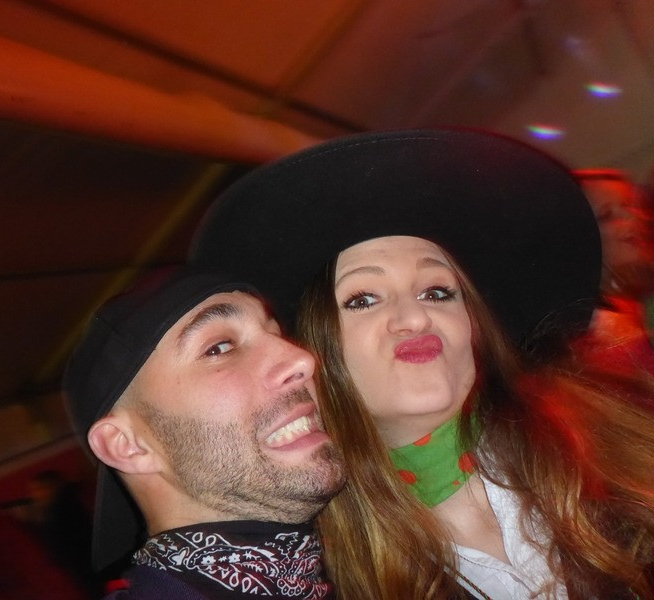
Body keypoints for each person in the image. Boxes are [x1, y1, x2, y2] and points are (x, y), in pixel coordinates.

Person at [190, 129, 654, 599]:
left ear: (473, 326)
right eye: (363, 299)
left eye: (436, 292)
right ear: (312, 353)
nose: (414, 318)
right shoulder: (329, 581)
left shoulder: (621, 451)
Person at [62, 266, 346, 599]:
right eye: (219, 348)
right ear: (127, 446)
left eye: (278, 333)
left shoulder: (341, 570)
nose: (302, 359)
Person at [572, 168, 654, 378]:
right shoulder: (607, 340)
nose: (635, 218)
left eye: (632, 206)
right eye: (607, 215)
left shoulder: (640, 308)